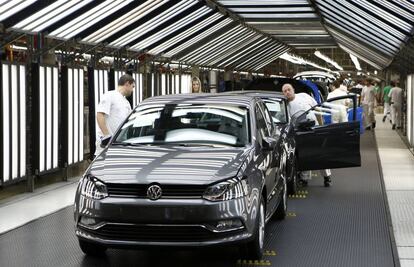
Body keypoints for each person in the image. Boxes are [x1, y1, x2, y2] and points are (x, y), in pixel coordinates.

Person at [282, 83, 332, 187]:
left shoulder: (304, 96)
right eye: (285, 91)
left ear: (293, 89)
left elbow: (317, 109)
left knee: (320, 153)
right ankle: (304, 179)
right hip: (301, 131)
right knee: (305, 155)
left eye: (289, 89)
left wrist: (321, 126)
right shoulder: (285, 106)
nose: (287, 92)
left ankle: (327, 177)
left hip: (314, 127)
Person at [95, 74, 135, 156]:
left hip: (119, 144)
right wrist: (106, 136)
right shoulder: (110, 95)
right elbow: (100, 114)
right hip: (105, 144)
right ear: (127, 84)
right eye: (132, 86)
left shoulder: (126, 102)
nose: (132, 90)